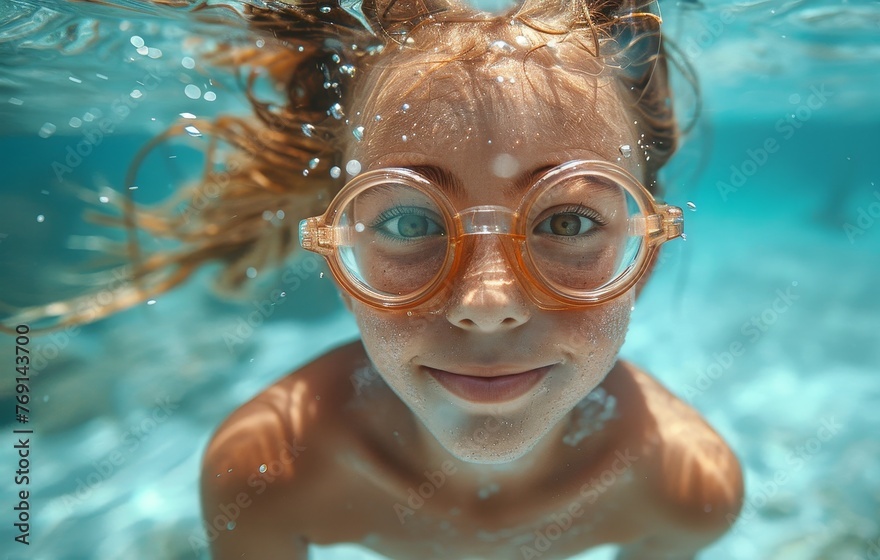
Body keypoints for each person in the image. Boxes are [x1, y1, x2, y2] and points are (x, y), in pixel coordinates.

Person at [10, 0, 743, 557]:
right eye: (409, 223)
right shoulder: (268, 471)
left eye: (569, 223)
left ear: (647, 246)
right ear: (333, 250)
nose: (487, 305)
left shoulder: (686, 487)